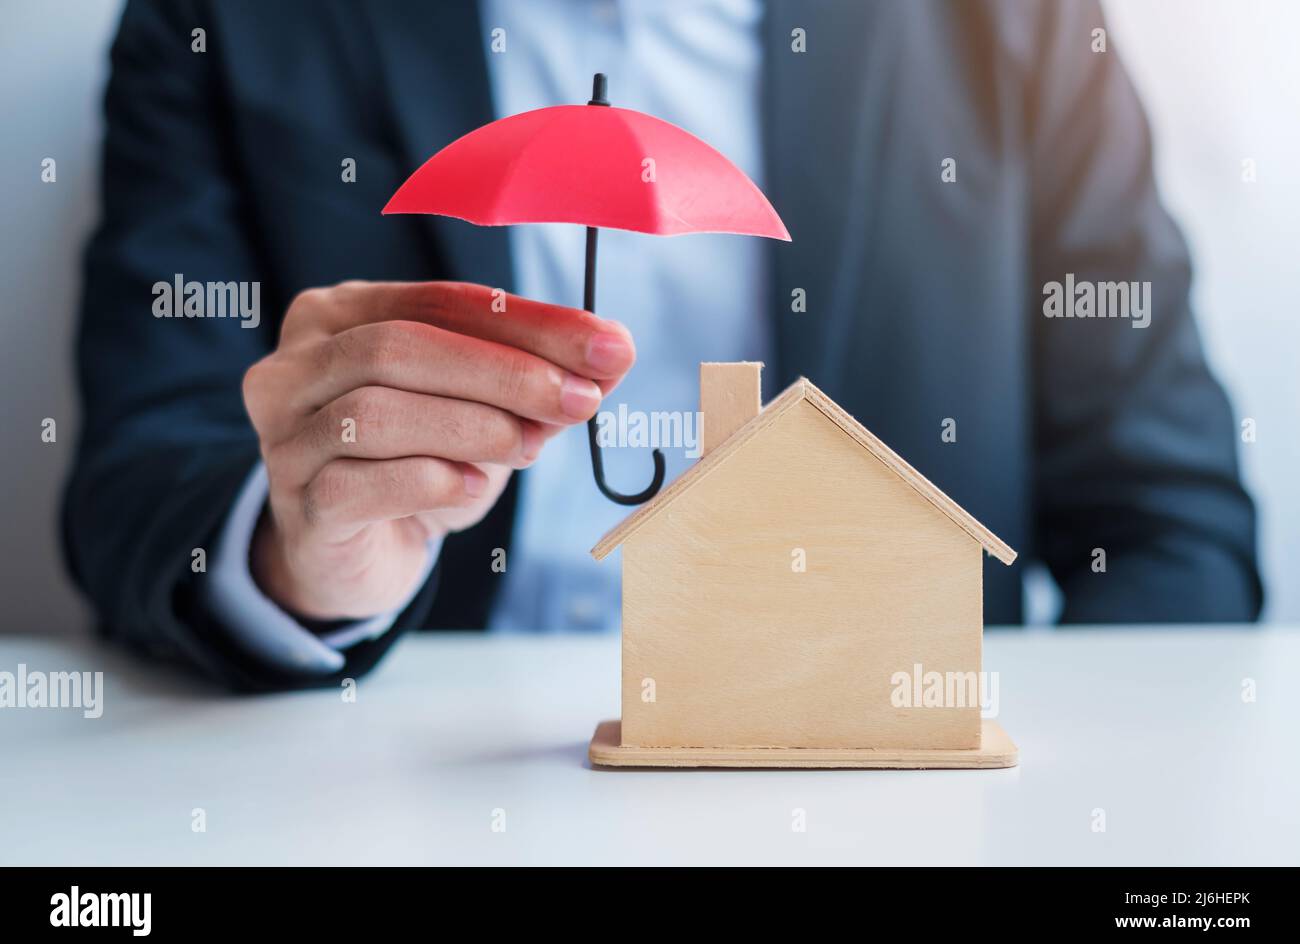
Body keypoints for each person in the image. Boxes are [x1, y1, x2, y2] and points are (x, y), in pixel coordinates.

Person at [63, 0, 1261, 691]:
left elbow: (1169, 516)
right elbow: (137, 476)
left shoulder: (1010, 23)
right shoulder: (222, 20)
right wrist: (296, 561)